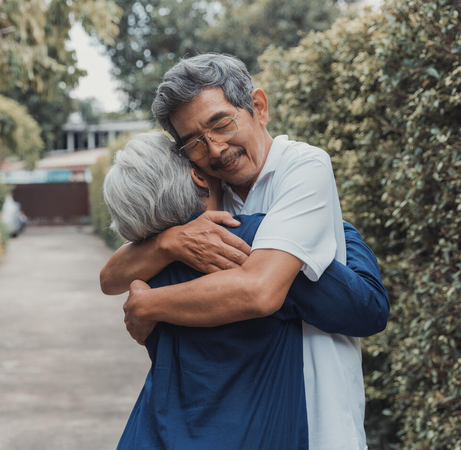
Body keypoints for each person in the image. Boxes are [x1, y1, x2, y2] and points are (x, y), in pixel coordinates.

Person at [100, 54, 382, 450]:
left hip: (321, 412)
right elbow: (109, 278)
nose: (214, 149)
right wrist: (169, 242)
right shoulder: (210, 205)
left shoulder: (302, 168)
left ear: (259, 108)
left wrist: (149, 305)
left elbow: (261, 291)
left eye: (221, 124)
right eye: (194, 143)